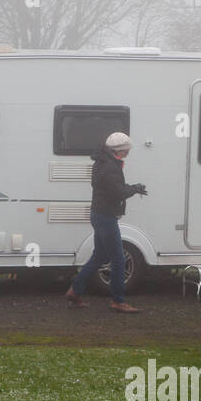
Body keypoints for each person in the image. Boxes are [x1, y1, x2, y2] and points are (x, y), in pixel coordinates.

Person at [65, 131, 147, 313]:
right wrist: (135, 188)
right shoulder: (111, 167)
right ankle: (118, 301)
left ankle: (75, 290)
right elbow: (117, 192)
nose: (127, 153)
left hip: (99, 214)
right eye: (126, 150)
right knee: (118, 258)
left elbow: (112, 188)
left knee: (100, 256)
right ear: (119, 150)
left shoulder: (101, 162)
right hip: (106, 217)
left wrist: (132, 188)